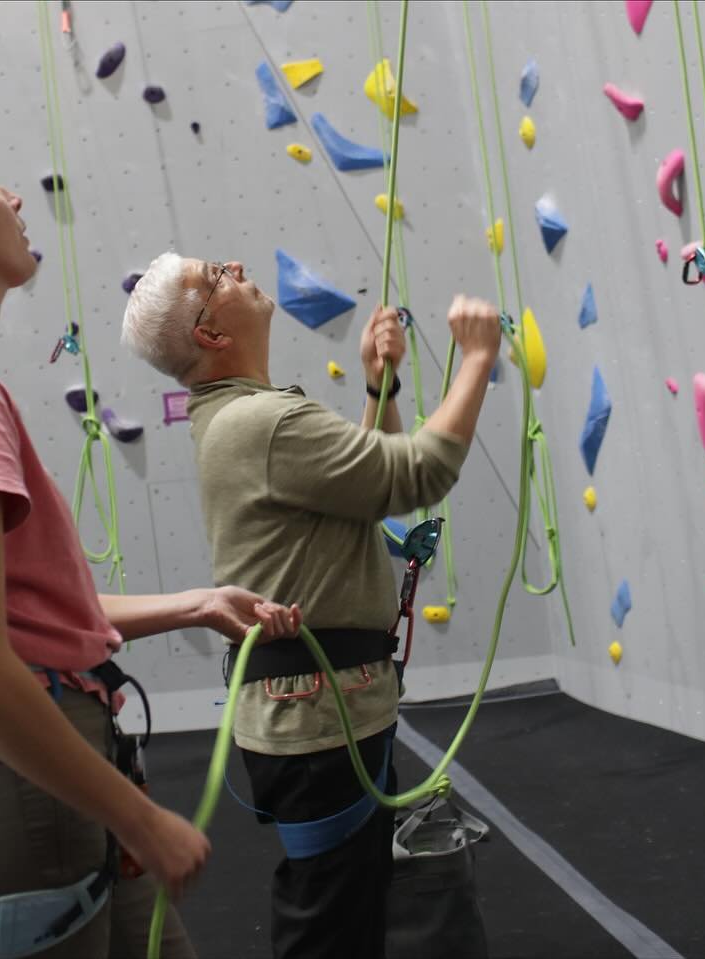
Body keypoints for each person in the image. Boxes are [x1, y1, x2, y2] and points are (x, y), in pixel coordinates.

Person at [0, 127, 303, 959]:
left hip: (26, 772)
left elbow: (11, 614)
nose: (12, 198)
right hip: (15, 782)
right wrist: (138, 814)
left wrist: (196, 602)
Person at [121, 253, 502, 959]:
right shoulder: (261, 423)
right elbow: (418, 473)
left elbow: (367, 488)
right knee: (329, 927)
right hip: (320, 722)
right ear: (208, 332)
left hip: (320, 714)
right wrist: (478, 357)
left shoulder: (240, 418)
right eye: (217, 275)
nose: (236, 265)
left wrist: (375, 387)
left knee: (347, 912)